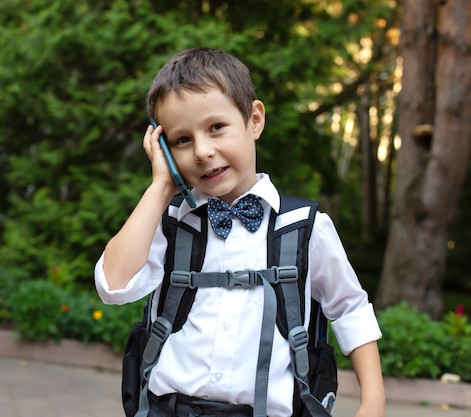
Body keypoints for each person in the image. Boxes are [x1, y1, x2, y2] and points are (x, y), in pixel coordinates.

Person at [94, 47, 385, 417]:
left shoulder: (304, 228)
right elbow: (112, 286)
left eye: (216, 128)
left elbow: (350, 309)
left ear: (254, 119)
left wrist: (373, 403)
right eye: (182, 141)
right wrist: (160, 187)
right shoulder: (169, 223)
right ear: (164, 149)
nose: (202, 152)